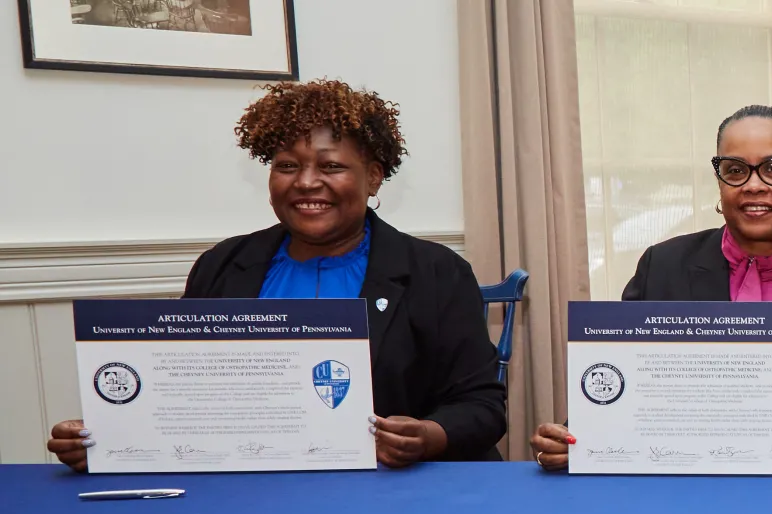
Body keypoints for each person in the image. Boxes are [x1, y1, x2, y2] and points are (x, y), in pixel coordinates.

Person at [47, 79, 507, 470]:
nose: (306, 182)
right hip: (250, 495)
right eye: (287, 166)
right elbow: (180, 397)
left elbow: (482, 406)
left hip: (396, 495)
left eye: (331, 166)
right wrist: (107, 438)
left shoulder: (436, 273)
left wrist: (429, 436)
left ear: (374, 177)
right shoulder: (223, 266)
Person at [529, 105, 772, 470]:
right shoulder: (662, 268)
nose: (754, 185)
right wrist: (573, 436)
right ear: (720, 183)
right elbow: (623, 389)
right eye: (735, 170)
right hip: (681, 487)